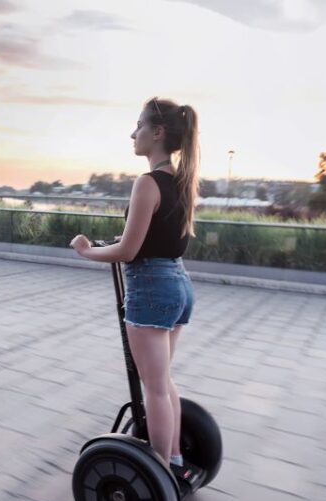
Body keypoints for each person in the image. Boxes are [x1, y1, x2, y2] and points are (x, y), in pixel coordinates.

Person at [70, 97, 200, 480]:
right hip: (178, 284)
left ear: (157, 133)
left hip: (152, 287)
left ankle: (160, 473)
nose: (133, 133)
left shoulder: (147, 183)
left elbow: (128, 251)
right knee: (162, 382)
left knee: (154, 389)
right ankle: (174, 460)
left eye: (139, 126)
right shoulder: (181, 182)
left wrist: (86, 250)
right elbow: (155, 237)